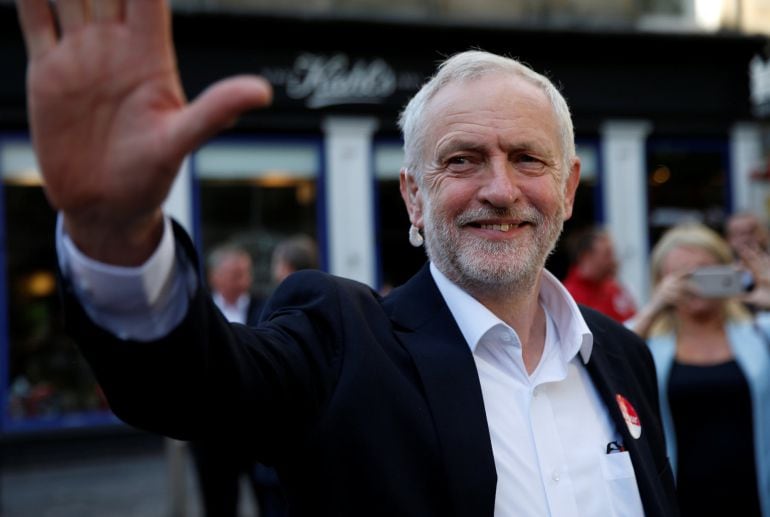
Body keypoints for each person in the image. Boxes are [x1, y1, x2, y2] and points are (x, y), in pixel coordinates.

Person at [15, 1, 678, 515]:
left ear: (566, 188)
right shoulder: (341, 340)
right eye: (461, 160)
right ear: (414, 198)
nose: (500, 189)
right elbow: (191, 386)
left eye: (528, 158)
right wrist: (117, 236)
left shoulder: (622, 356)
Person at [629, 222, 770, 517]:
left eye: (705, 271)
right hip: (681, 498)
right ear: (661, 281)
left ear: (727, 272)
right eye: (681, 275)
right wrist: (655, 307)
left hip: (756, 494)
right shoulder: (650, 345)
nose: (694, 282)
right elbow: (603, 355)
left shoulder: (759, 333)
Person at [189, 243, 279, 517]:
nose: (245, 280)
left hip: (258, 428)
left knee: (271, 502)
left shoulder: (265, 306)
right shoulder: (196, 312)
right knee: (218, 504)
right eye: (236, 274)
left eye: (246, 273)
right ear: (215, 276)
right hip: (211, 431)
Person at [562, 226, 637, 323]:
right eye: (607, 254)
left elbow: (634, 322)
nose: (613, 261)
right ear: (586, 256)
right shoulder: (567, 296)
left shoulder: (614, 289)